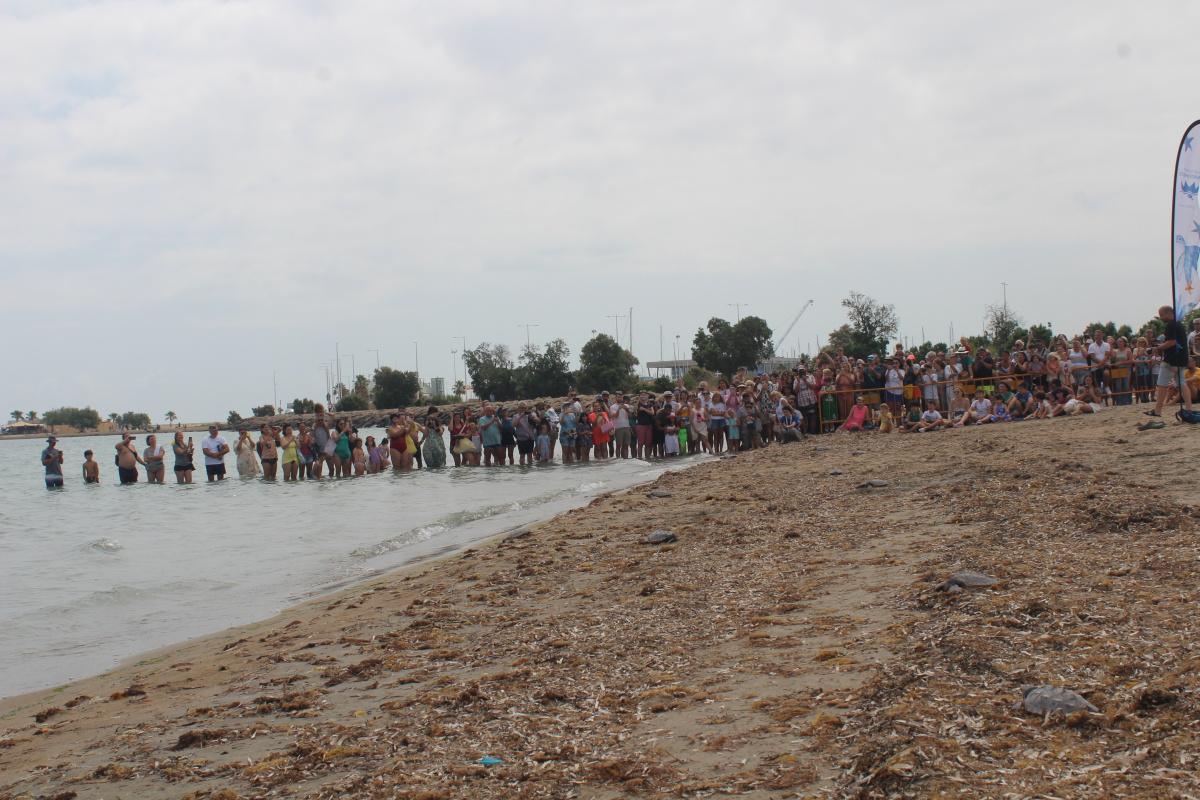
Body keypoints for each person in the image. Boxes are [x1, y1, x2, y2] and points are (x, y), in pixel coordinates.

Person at [1149, 304, 1195, 419]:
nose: (1161, 318)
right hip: (1181, 358)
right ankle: (1189, 409)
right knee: (1182, 383)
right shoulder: (1179, 324)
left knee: (1162, 384)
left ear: (1168, 313)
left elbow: (1172, 342)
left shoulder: (1171, 325)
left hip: (1171, 359)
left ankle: (1158, 410)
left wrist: (1158, 348)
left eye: (1162, 315)